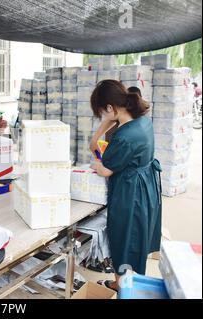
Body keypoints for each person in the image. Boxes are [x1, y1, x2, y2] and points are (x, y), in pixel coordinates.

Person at [89, 80, 162, 291]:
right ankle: (123, 281)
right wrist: (96, 137)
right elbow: (112, 120)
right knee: (137, 234)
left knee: (122, 235)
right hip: (146, 184)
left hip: (130, 191)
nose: (103, 117)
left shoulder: (124, 137)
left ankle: (122, 286)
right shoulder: (141, 120)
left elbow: (105, 170)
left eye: (103, 111)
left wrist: (95, 161)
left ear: (110, 108)